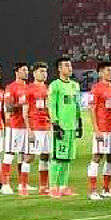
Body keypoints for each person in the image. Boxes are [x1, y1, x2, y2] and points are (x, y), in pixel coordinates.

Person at [47, 57, 81, 197]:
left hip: (72, 126)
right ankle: (53, 187)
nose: (70, 68)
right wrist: (55, 123)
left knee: (67, 158)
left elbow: (77, 105)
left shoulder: (75, 85)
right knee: (57, 158)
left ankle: (63, 186)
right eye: (66, 65)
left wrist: (79, 122)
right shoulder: (55, 85)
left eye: (70, 65)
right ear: (60, 69)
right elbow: (51, 105)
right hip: (61, 126)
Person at [87, 60, 111, 200]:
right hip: (102, 128)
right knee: (97, 157)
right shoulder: (95, 89)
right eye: (108, 70)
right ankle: (93, 190)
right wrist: (96, 129)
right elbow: (92, 110)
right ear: (100, 73)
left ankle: (106, 188)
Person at [2, 63, 32, 195]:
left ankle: (23, 183)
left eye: (27, 70)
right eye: (23, 70)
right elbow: (8, 108)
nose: (26, 72)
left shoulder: (29, 87)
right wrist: (22, 104)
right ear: (16, 72)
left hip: (27, 126)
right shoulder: (11, 88)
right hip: (14, 126)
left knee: (24, 155)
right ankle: (5, 185)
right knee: (9, 154)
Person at [25, 62, 53, 196]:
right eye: (41, 71)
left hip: (46, 126)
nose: (44, 74)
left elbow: (50, 110)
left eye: (45, 72)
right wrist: (29, 130)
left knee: (45, 156)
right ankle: (23, 185)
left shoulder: (48, 89)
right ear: (34, 73)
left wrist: (52, 125)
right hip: (35, 127)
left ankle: (43, 186)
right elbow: (25, 112)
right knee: (30, 157)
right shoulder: (29, 89)